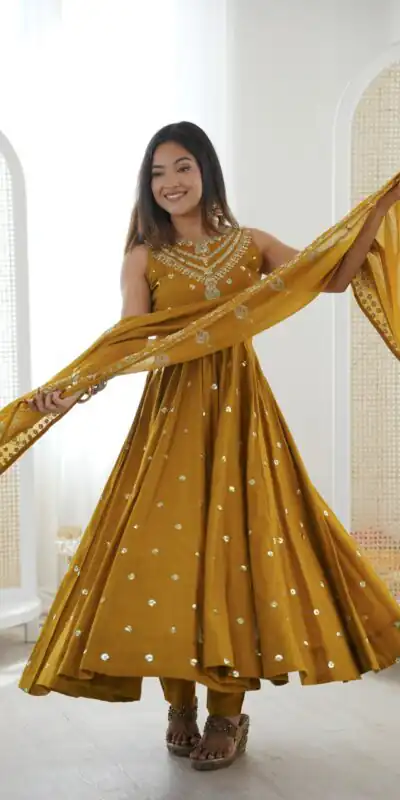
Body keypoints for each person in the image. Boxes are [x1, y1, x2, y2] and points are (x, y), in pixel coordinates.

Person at [18, 122, 400, 772]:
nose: (170, 183)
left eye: (182, 168)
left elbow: (331, 274)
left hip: (243, 421)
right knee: (170, 558)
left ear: (206, 173)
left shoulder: (251, 245)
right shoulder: (144, 257)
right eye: (157, 173)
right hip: (169, 423)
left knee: (235, 558)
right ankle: (180, 704)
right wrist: (72, 388)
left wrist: (381, 205)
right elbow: (129, 339)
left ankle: (227, 714)